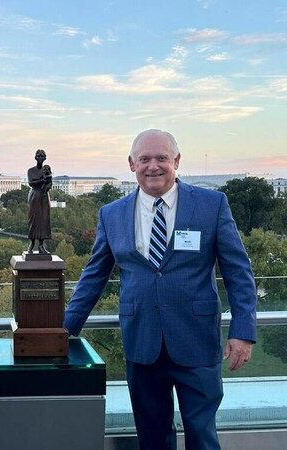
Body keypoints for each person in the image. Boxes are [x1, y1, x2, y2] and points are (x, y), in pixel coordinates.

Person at [64, 129, 257, 450]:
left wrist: (243, 330)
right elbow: (93, 276)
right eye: (144, 159)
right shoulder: (111, 214)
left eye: (162, 158)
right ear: (131, 164)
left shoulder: (212, 205)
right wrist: (65, 328)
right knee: (152, 437)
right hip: (142, 343)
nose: (153, 166)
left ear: (176, 161)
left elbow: (239, 271)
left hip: (197, 341)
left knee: (202, 436)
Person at [27, 149, 52, 253]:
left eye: (42, 156)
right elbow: (31, 183)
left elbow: (50, 182)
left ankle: (41, 245)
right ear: (35, 157)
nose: (40, 158)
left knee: (43, 220)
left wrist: (47, 183)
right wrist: (42, 180)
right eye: (39, 156)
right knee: (33, 219)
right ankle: (31, 243)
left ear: (45, 158)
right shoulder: (31, 171)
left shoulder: (47, 169)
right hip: (34, 196)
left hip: (44, 196)